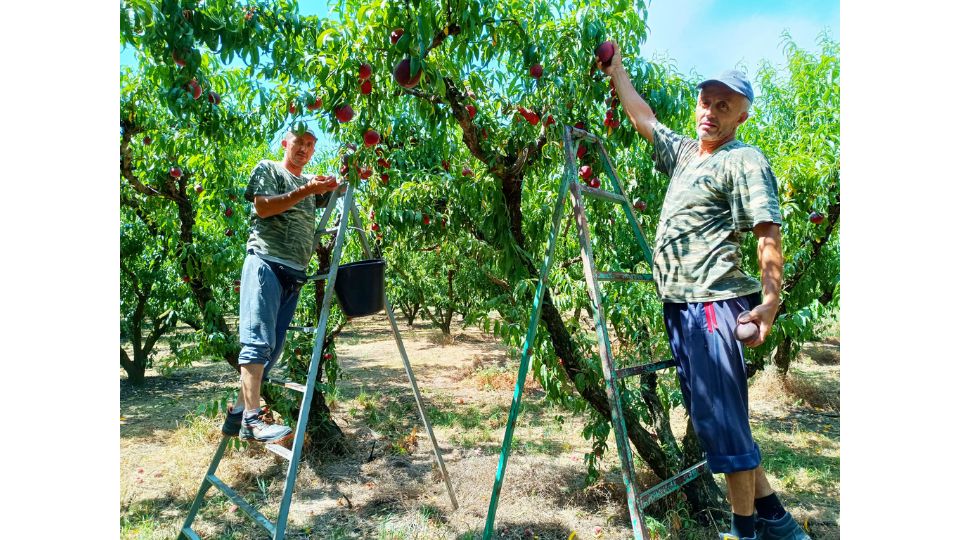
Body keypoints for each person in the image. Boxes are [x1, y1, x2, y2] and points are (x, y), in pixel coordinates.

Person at [597, 43, 809, 540]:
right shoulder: (688, 153)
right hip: (681, 306)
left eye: (722, 105)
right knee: (717, 418)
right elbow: (645, 118)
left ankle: (743, 531)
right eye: (705, 101)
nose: (709, 112)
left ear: (741, 115)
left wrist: (771, 302)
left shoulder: (744, 160)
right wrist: (618, 72)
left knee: (726, 428)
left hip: (714, 304)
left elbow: (767, 233)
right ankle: (777, 521)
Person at [220, 128, 340, 443]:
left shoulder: (312, 183)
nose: (304, 149)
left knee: (272, 350)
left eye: (310, 145)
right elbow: (263, 207)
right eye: (298, 142)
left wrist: (349, 171)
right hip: (266, 262)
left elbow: (340, 187)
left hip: (295, 272)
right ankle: (251, 420)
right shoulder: (269, 169)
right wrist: (308, 190)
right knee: (258, 344)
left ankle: (236, 412)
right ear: (285, 143)